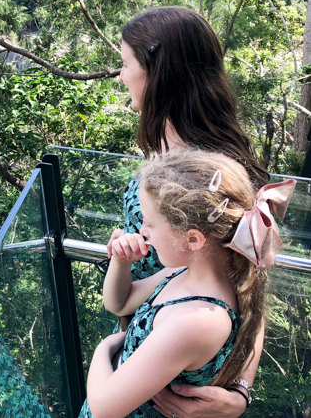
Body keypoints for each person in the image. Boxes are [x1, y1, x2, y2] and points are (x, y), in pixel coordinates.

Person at [114, 6, 269, 417]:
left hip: (179, 361)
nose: (121, 75)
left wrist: (240, 391)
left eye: (125, 63)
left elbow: (254, 282)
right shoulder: (167, 151)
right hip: (144, 334)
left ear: (156, 72)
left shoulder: (217, 174)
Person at [80, 151, 296, 418]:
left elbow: (102, 409)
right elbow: (119, 303)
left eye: (149, 222)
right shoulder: (185, 271)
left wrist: (107, 346)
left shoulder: (197, 321)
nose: (142, 230)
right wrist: (122, 263)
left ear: (193, 240)